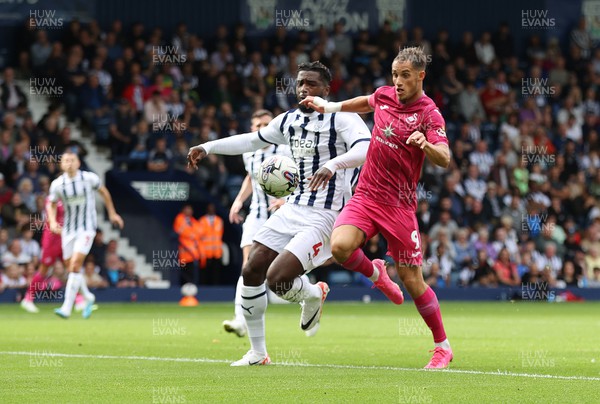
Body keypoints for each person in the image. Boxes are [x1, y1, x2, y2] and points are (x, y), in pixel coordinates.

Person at [187, 61, 375, 366]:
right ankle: (257, 352)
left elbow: (366, 149)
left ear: (327, 90)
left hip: (326, 214)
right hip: (294, 207)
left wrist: (332, 164)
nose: (304, 89)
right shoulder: (289, 121)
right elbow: (250, 141)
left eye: (312, 84)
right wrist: (208, 147)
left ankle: (311, 294)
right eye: (301, 83)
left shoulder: (342, 118)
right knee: (251, 270)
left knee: (277, 279)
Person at [301, 47, 453, 368]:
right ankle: (377, 274)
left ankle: (442, 346)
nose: (397, 82)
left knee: (412, 281)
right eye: (395, 75)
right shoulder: (385, 96)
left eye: (405, 76)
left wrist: (425, 144)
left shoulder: (429, 114)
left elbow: (445, 157)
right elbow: (365, 102)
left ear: (421, 76)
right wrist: (329, 106)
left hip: (399, 205)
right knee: (340, 247)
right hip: (367, 194)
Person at [222, 109, 291, 337]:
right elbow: (251, 177)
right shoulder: (249, 153)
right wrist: (238, 201)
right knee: (248, 266)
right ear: (252, 129)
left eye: (266, 125)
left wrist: (285, 199)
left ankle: (308, 294)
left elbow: (300, 177)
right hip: (257, 214)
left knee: (279, 270)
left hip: (283, 216)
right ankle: (241, 319)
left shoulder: (284, 150)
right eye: (257, 126)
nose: (262, 129)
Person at [48, 152, 124, 319]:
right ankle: (88, 297)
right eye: (65, 161)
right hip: (68, 230)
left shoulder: (89, 178)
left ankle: (67, 307)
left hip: (87, 228)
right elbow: (51, 203)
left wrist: (112, 213)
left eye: (72, 160)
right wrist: (52, 221)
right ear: (61, 164)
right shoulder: (57, 184)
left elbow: (104, 192)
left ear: (78, 163)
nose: (69, 163)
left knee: (75, 265)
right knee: (71, 267)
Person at [20, 197, 65, 313]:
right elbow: (50, 213)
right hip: (51, 239)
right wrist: (53, 224)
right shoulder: (52, 197)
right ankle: (28, 298)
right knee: (44, 270)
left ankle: (80, 299)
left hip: (64, 238)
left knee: (72, 267)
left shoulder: (70, 197)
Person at [197, 203, 224, 285]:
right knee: (204, 273)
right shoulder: (202, 221)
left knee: (216, 273)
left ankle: (215, 289)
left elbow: (221, 234)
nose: (211, 209)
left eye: (212, 208)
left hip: (216, 252)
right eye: (209, 208)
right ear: (207, 209)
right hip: (205, 252)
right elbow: (199, 237)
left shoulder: (219, 220)